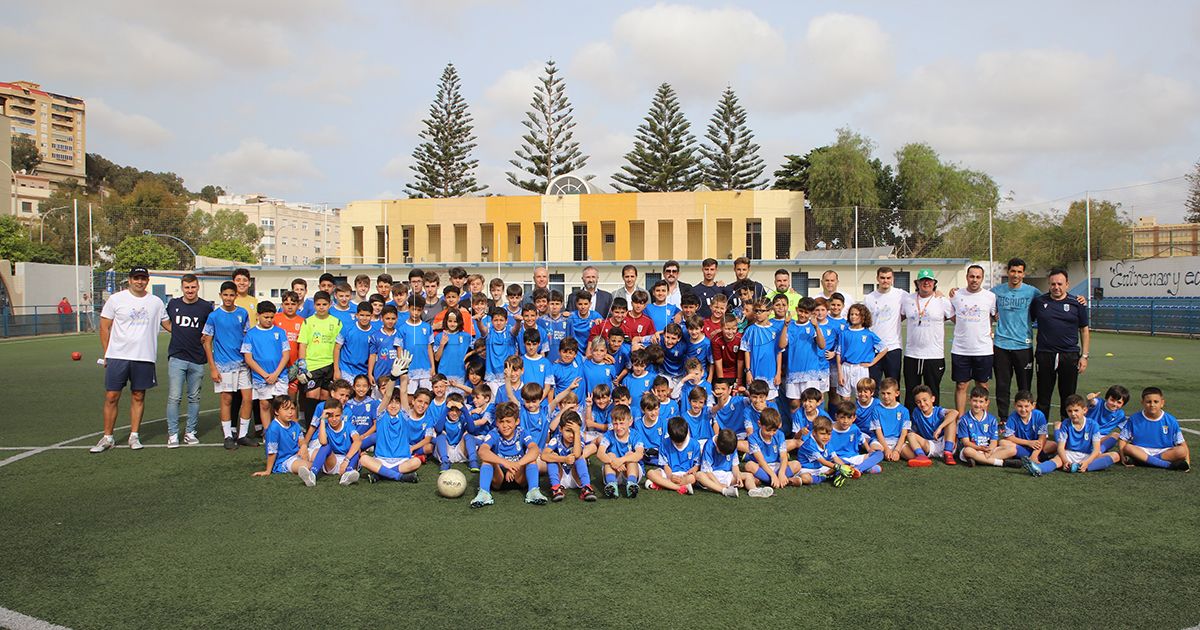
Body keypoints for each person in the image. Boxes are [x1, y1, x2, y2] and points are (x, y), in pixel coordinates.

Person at [90, 267, 171, 453]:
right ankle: (107, 437)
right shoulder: (116, 299)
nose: (139, 281)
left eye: (143, 278)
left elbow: (169, 325)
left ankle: (134, 435)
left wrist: (192, 334)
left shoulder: (156, 302)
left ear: (148, 280)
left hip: (144, 356)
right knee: (112, 396)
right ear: (130, 280)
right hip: (118, 356)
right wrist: (107, 353)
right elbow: (104, 327)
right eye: (136, 278)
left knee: (138, 395)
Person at [203, 281, 256, 450]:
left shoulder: (243, 313)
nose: (228, 298)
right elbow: (206, 342)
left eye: (231, 295)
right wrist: (212, 367)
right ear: (220, 296)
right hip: (223, 365)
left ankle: (242, 435)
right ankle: (228, 436)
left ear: (236, 296)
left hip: (242, 364)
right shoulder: (214, 316)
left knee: (248, 398)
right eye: (225, 295)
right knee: (227, 399)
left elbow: (247, 336)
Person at [1031, 268, 1090, 418]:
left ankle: (1067, 429)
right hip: (1045, 354)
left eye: (1060, 284)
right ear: (1049, 285)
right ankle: (1040, 430)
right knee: (1043, 395)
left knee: (1068, 396)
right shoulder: (1039, 302)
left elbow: (1084, 330)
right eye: (1053, 284)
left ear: (1067, 285)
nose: (1056, 287)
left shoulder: (1077, 303)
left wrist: (1084, 356)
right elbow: (1026, 320)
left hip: (1069, 355)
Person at [470, 401, 548, 508]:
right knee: (487, 461)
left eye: (508, 421)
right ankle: (484, 493)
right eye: (501, 422)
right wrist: (505, 463)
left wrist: (517, 465)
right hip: (499, 478)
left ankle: (533, 492)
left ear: (517, 421)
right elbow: (482, 451)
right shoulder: (494, 433)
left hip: (519, 476)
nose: (505, 425)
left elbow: (534, 449)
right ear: (497, 423)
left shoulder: (522, 432)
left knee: (531, 459)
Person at [990, 258, 1040, 419]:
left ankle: (1024, 419)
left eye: (1019, 272)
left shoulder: (1032, 292)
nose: (1015, 275)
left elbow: (1051, 300)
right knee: (1002, 386)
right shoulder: (996, 291)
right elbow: (979, 299)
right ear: (1008, 272)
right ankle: (1003, 419)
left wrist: (1077, 299)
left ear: (1023, 274)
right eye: (1013, 271)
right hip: (1001, 345)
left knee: (1024, 387)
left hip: (1023, 346)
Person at [165, 274, 211, 448]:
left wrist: (205, 337)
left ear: (198, 287)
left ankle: (190, 432)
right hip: (177, 357)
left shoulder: (206, 307)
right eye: (187, 287)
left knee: (194, 398)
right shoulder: (174, 304)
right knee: (174, 397)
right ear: (182, 288)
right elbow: (166, 322)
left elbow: (209, 329)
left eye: (193, 287)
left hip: (198, 358)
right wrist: (176, 332)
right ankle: (173, 434)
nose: (190, 290)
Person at [1022, 394, 1118, 476]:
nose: (1073, 414)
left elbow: (1097, 449)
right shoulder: (1065, 424)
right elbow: (1060, 448)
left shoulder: (1093, 425)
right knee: (1057, 459)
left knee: (1115, 456)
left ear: (1084, 410)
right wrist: (1066, 461)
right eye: (1069, 411)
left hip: (1087, 456)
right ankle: (1038, 469)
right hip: (1068, 454)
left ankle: (1082, 467)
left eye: (1076, 410)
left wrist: (1087, 462)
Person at [950, 265, 997, 417]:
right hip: (960, 348)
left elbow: (993, 316)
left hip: (983, 349)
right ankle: (961, 420)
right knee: (961, 385)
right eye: (972, 276)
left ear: (982, 278)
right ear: (967, 277)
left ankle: (982, 419)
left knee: (982, 385)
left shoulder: (990, 297)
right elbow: (951, 315)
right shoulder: (956, 295)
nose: (974, 280)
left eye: (978, 277)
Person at [901, 269, 952, 408]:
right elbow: (898, 317)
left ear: (934, 283)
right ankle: (910, 424)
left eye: (929, 280)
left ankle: (933, 423)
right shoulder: (908, 300)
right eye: (923, 280)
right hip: (912, 354)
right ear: (917, 282)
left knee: (932, 392)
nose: (926, 283)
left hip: (934, 355)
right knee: (912, 392)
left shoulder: (942, 301)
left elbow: (957, 319)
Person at [242, 302, 291, 433]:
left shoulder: (280, 332)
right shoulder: (251, 334)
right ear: (258, 315)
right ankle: (268, 431)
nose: (269, 320)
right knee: (264, 404)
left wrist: (275, 374)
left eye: (271, 317)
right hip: (260, 377)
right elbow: (248, 358)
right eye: (266, 317)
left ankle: (284, 430)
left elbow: (286, 355)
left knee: (282, 404)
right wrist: (265, 375)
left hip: (279, 375)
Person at [1118, 387, 1190, 471]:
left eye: (1156, 402)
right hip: (1141, 450)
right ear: (1142, 403)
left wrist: (1187, 463)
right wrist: (1122, 457)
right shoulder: (1134, 419)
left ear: (1162, 403)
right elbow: (1122, 439)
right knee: (1128, 448)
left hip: (1164, 452)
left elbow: (1182, 443)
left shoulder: (1171, 420)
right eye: (1148, 402)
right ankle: (1167, 465)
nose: (1152, 405)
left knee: (1182, 451)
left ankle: (1143, 461)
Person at [251, 396, 316, 486]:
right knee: (307, 465)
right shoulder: (274, 429)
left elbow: (301, 439)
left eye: (292, 409)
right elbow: (272, 452)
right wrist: (268, 470)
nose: (290, 412)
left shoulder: (295, 424)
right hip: (284, 461)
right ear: (276, 411)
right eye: (286, 409)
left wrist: (304, 446)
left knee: (318, 453)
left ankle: (321, 467)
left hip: (297, 453)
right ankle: (311, 474)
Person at [863, 266, 906, 383]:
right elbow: (865, 321)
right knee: (872, 385)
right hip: (873, 348)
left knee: (893, 384)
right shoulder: (869, 298)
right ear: (877, 278)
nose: (885, 281)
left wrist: (937, 292)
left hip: (893, 347)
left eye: (888, 278)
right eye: (882, 278)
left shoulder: (901, 294)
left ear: (892, 279)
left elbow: (917, 300)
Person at [955, 387, 1017, 467]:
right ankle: (1001, 463)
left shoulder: (992, 419)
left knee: (1012, 450)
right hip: (973, 449)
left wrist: (990, 450)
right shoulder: (964, 420)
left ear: (987, 403)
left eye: (981, 401)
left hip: (988, 450)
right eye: (975, 401)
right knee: (967, 451)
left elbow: (994, 441)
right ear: (969, 400)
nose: (977, 405)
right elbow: (966, 443)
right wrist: (980, 448)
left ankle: (978, 460)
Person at [596, 403, 644, 498]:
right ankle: (612, 485)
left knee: (630, 454)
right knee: (610, 454)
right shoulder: (609, 435)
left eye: (621, 423)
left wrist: (621, 460)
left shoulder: (635, 435)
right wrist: (613, 462)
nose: (618, 427)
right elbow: (600, 453)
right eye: (615, 424)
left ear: (630, 422)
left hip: (630, 471)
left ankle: (631, 484)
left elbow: (639, 454)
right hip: (614, 471)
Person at [645, 417, 702, 495]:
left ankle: (662, 485)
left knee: (692, 479)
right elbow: (665, 465)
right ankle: (680, 488)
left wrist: (693, 470)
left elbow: (697, 464)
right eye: (675, 442)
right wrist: (670, 476)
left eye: (681, 441)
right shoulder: (664, 443)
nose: (679, 444)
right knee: (650, 473)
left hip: (685, 475)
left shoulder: (695, 444)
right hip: (668, 473)